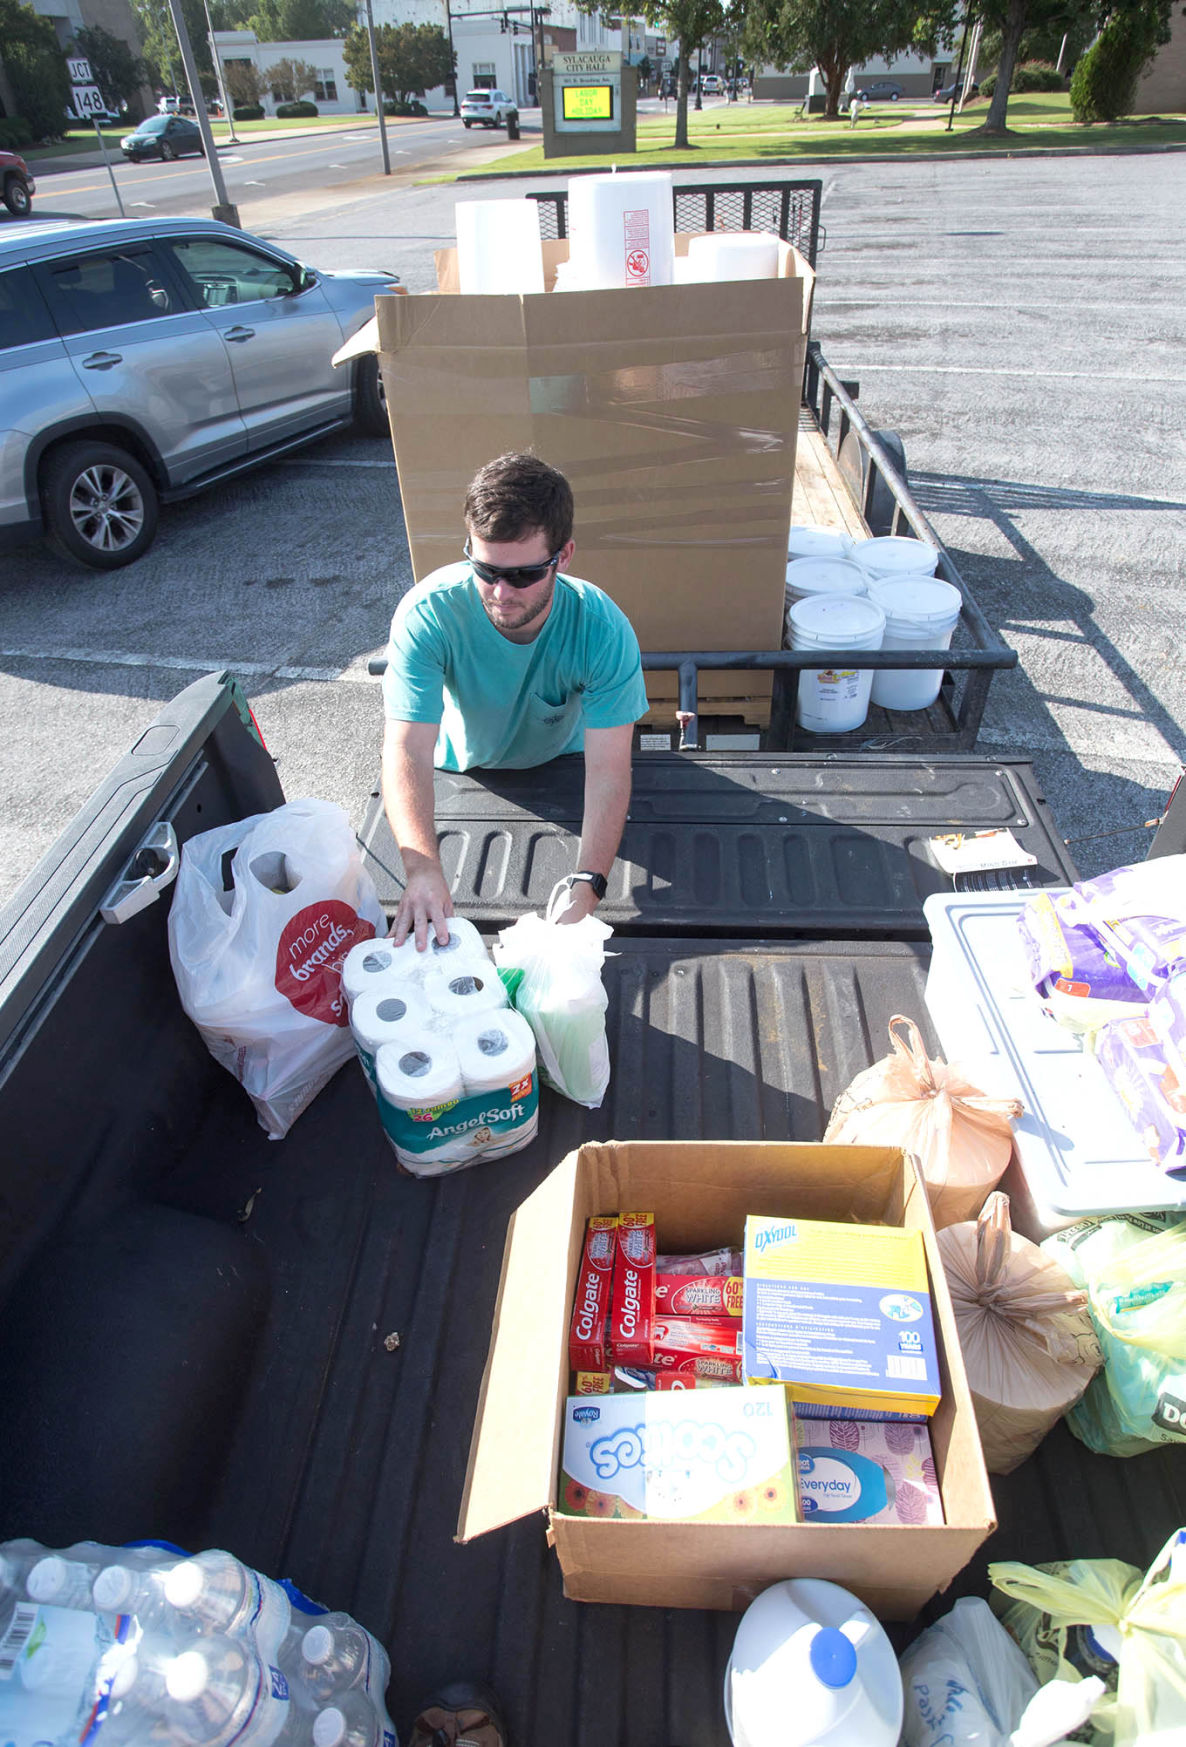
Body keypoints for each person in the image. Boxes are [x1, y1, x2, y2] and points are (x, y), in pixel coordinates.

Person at [381, 451, 648, 951]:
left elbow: (609, 768)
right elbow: (408, 748)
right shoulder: (428, 613)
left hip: (565, 770)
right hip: (463, 770)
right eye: (484, 569)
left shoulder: (602, 628)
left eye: (523, 576)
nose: (501, 592)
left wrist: (587, 887)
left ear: (563, 556)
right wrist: (421, 868)